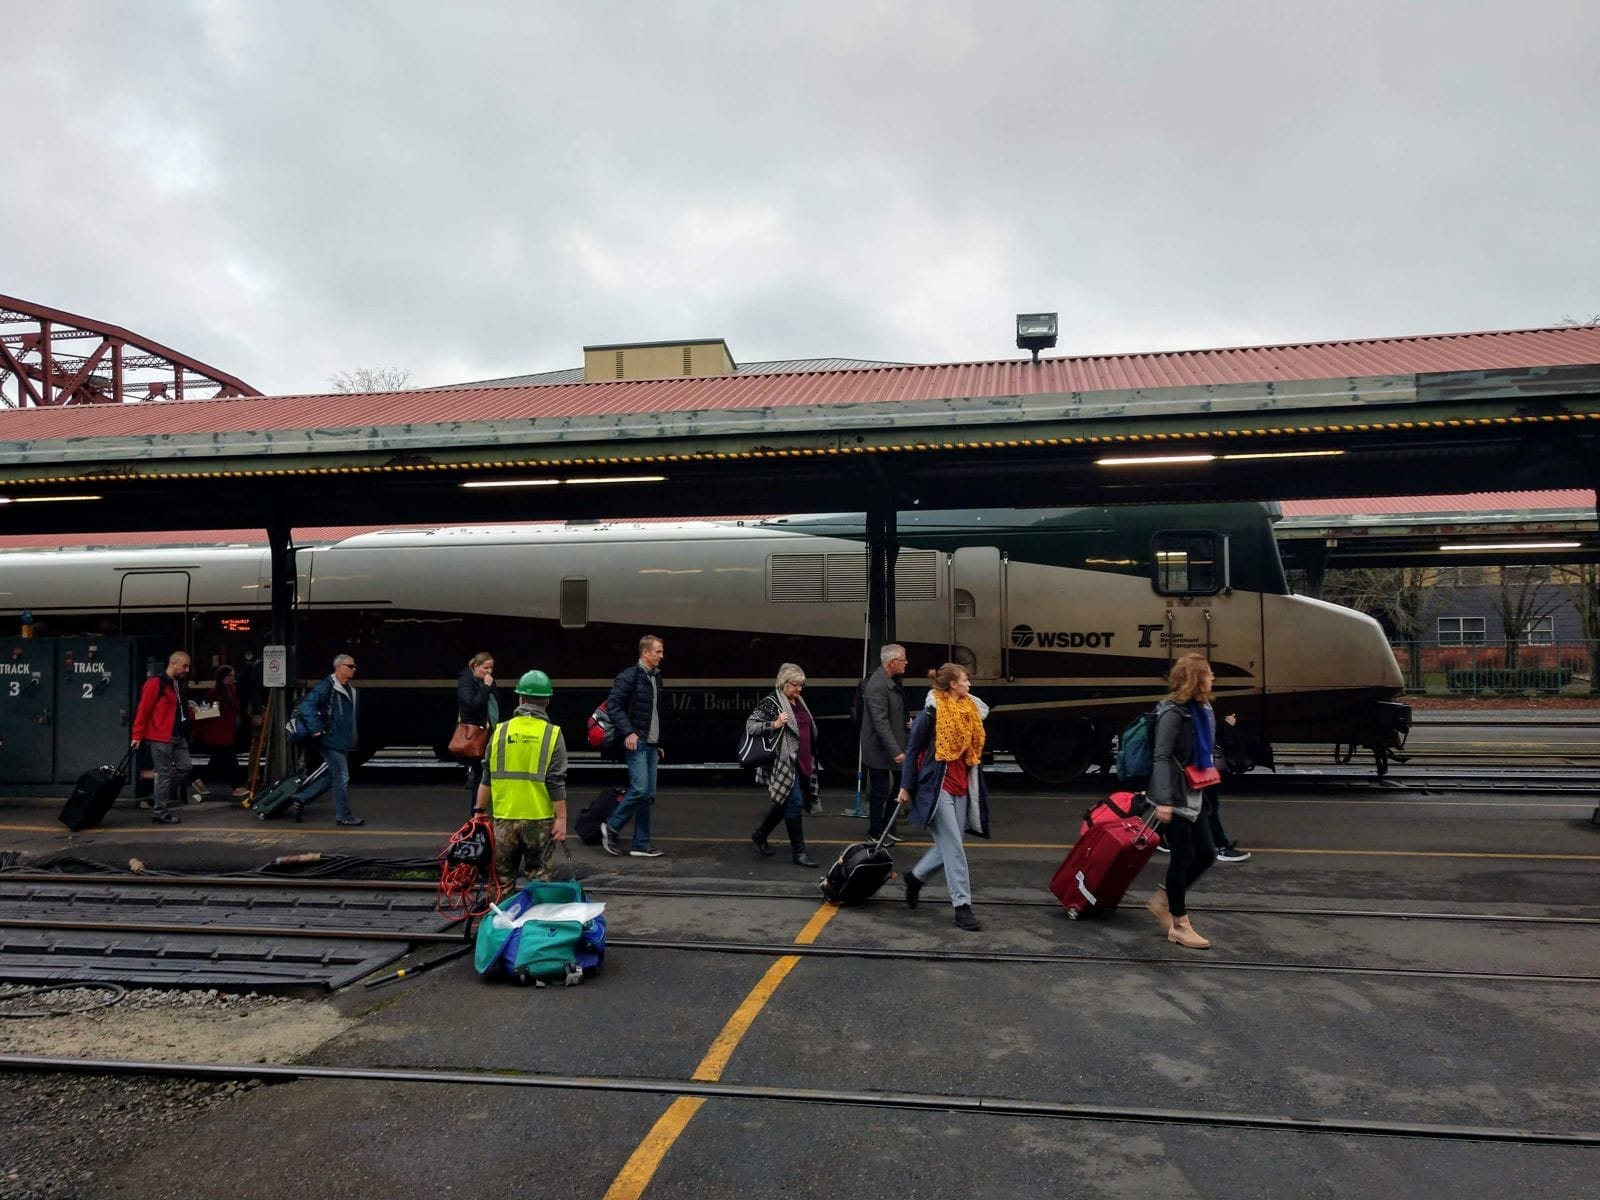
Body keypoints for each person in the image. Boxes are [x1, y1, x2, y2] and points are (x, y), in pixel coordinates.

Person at [897, 662, 990, 932]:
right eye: (965, 680)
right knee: (955, 849)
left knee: (950, 844)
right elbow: (913, 750)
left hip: (962, 784)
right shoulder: (931, 715)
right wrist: (906, 787)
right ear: (953, 684)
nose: (969, 684)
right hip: (936, 788)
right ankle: (963, 907)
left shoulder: (969, 711)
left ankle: (915, 878)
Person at [1146, 653, 1220, 949]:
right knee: (1183, 855)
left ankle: (1163, 899)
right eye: (1209, 672)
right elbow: (1162, 756)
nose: (1213, 677)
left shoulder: (1203, 709)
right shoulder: (1173, 713)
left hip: (1194, 792)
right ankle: (1179, 924)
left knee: (1207, 853)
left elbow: (1207, 748)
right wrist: (1163, 800)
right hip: (1174, 796)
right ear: (1197, 678)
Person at [473, 669, 569, 896]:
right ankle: (531, 928)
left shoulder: (500, 731)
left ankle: (499, 928)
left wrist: (478, 812)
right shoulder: (552, 734)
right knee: (539, 881)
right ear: (547, 701)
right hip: (539, 820)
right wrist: (562, 819)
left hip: (505, 818)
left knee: (501, 882)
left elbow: (486, 775)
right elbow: (556, 781)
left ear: (520, 699)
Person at [746, 663, 820, 868]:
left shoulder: (799, 701)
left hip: (803, 760)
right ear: (784, 683)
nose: (799, 689)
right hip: (784, 762)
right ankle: (799, 852)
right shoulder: (771, 702)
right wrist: (774, 724)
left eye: (801, 685)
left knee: (786, 800)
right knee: (794, 801)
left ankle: (760, 834)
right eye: (795, 684)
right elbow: (751, 725)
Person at [600, 634, 666, 858]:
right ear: (645, 653)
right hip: (636, 741)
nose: (661, 656)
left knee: (647, 795)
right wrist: (629, 732)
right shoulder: (628, 676)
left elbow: (655, 713)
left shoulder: (656, 678)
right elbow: (614, 706)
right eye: (657, 651)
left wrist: (658, 742)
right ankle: (611, 826)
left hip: (650, 742)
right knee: (639, 788)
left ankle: (641, 843)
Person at [289, 654, 363, 827]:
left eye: (354, 666)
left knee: (333, 776)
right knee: (342, 777)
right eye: (350, 666)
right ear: (338, 667)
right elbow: (307, 705)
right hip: (331, 739)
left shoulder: (345, 687)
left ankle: (300, 798)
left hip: (340, 739)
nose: (354, 669)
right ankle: (344, 816)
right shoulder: (327, 686)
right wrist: (315, 729)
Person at [130, 650, 195, 824]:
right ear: (173, 664)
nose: (186, 670)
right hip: (161, 736)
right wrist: (137, 735)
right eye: (184, 666)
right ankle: (160, 811)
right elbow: (143, 710)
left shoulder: (179, 684)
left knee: (185, 768)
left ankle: (159, 792)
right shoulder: (156, 684)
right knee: (168, 773)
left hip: (177, 735)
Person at [860, 644, 909, 844]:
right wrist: (895, 750)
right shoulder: (877, 685)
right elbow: (880, 722)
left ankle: (887, 825)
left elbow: (895, 710)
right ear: (893, 663)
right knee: (880, 790)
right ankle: (875, 831)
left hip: (893, 744)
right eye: (904, 659)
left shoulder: (891, 680)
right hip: (880, 748)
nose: (907, 663)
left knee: (899, 786)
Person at [195, 664, 247, 797]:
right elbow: (204, 713)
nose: (233, 678)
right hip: (218, 733)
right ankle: (237, 786)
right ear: (223, 678)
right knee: (230, 760)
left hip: (225, 732)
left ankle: (200, 781)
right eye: (230, 675)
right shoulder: (214, 694)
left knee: (217, 761)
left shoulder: (231, 691)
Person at [457, 651, 499, 813]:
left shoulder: (487, 680)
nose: (489, 671)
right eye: (485, 668)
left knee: (486, 775)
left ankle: (481, 811)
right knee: (481, 776)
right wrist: (486, 687)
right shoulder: (467, 681)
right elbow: (473, 705)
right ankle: (476, 814)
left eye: (491, 668)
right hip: (477, 733)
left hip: (489, 730)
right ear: (475, 666)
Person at [1209, 712, 1252, 863]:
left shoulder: (1192, 707)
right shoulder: (1188, 709)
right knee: (1209, 807)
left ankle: (1220, 844)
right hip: (1197, 769)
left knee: (1207, 807)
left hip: (1200, 768)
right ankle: (1221, 846)